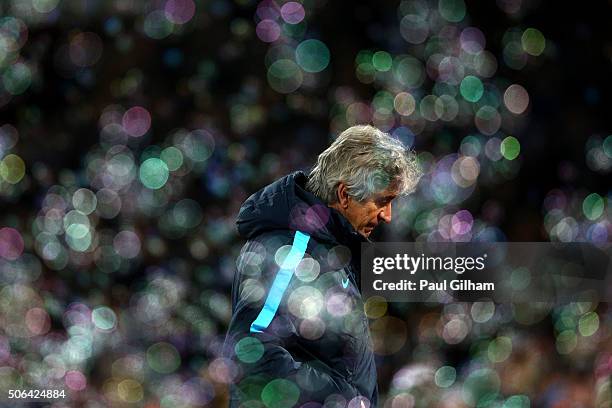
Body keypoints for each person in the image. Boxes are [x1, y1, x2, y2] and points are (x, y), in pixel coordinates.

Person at [223, 125, 421, 407]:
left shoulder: (328, 250)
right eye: (383, 201)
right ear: (344, 195)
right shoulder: (292, 252)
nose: (388, 216)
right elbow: (251, 353)